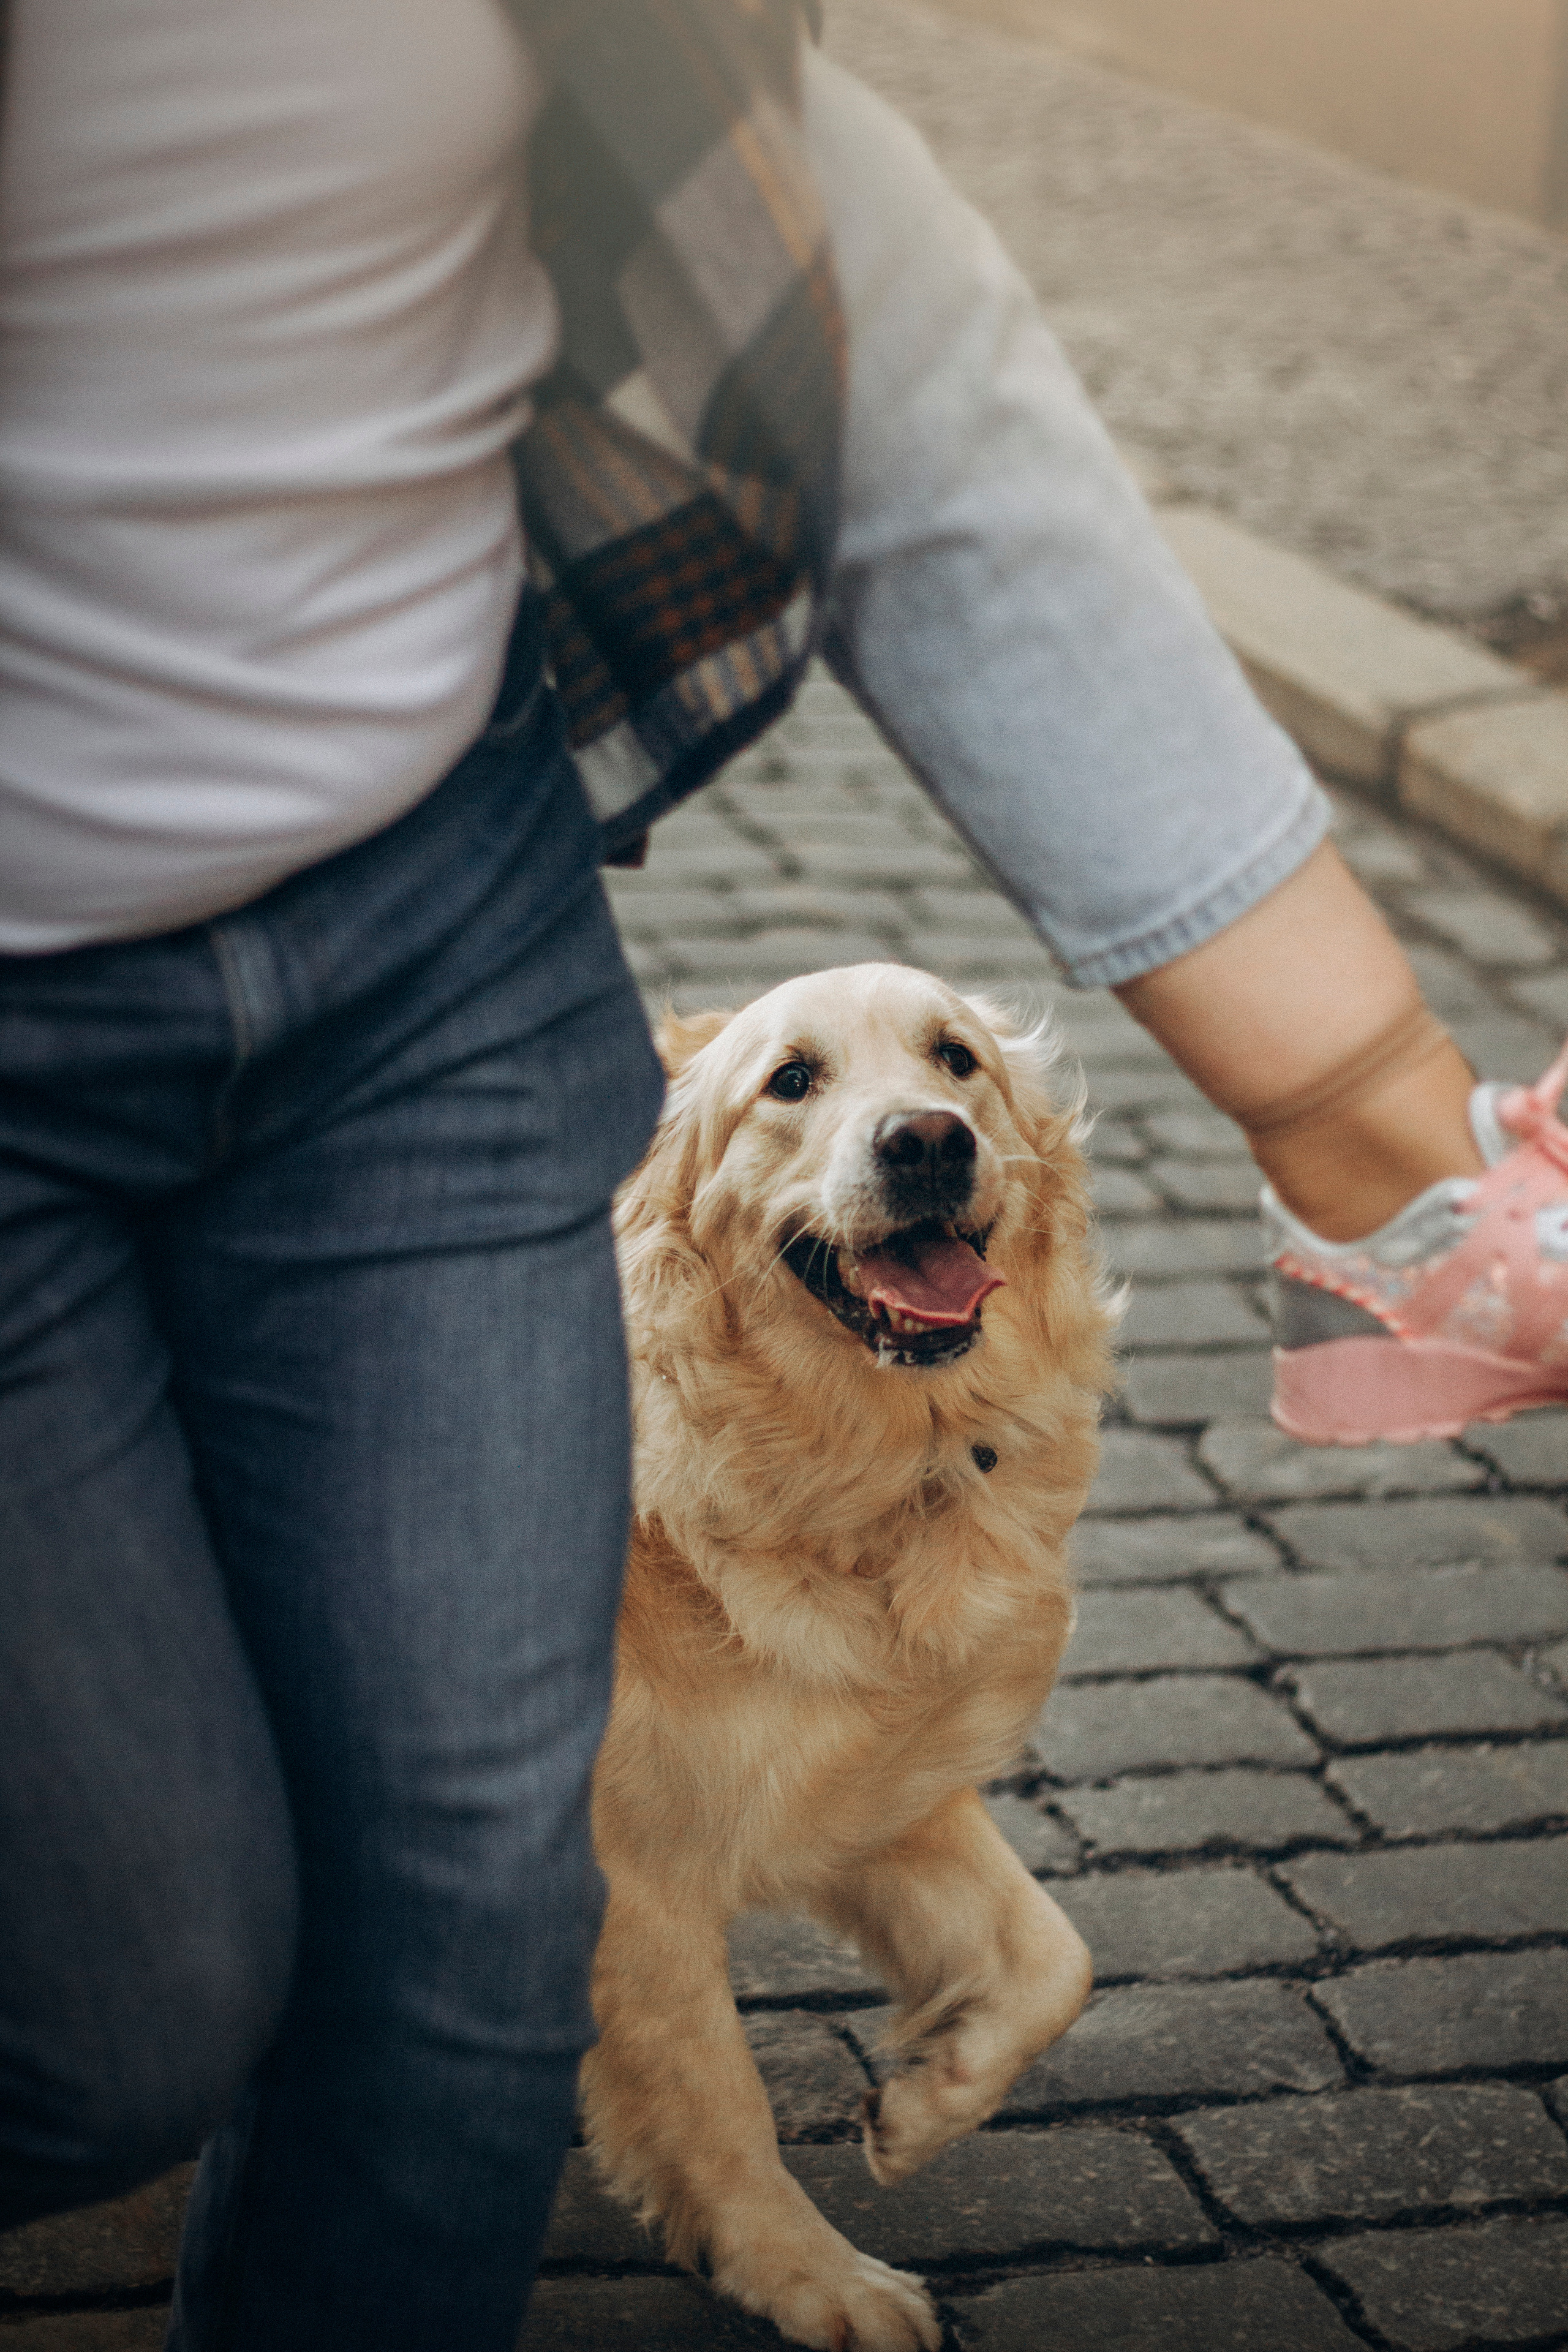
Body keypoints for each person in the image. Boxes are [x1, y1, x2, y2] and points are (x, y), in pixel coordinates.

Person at [0, 2, 1562, 2348]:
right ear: (700, 1192)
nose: (914, 1124)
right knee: (124, 2006)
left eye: (947, 1083)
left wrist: (1401, 1140)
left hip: (428, 956)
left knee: (469, 1947)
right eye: (805, 1090)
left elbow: (865, 301)